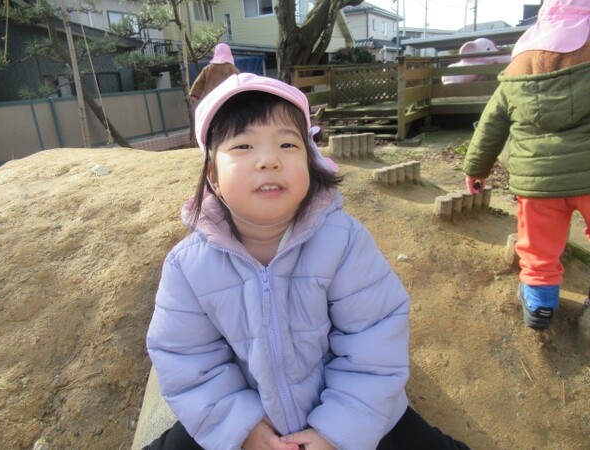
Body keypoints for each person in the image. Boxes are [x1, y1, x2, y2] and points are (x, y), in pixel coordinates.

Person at [145, 73, 471, 450]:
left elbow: (373, 342)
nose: (269, 160)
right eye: (243, 146)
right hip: (246, 411)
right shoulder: (188, 266)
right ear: (212, 177)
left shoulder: (342, 241)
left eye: (287, 144)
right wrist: (243, 429)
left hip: (348, 405)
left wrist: (335, 431)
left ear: (311, 161)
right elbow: (188, 361)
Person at [463, 0, 590, 330]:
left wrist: (475, 169)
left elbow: (492, 123)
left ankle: (539, 304)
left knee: (538, 247)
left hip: (537, 182)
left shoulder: (521, 61)